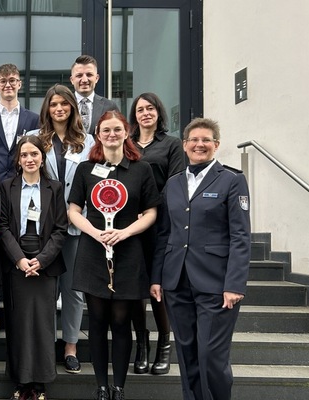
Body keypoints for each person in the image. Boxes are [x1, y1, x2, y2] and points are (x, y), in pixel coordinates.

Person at [151, 118, 251, 400]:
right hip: (177, 281)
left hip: (216, 284)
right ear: (184, 145)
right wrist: (157, 277)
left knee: (211, 357)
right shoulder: (173, 184)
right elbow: (165, 234)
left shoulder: (232, 180)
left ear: (216, 145)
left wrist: (235, 284)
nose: (199, 145)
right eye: (194, 140)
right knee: (186, 354)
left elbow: (241, 236)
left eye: (206, 140)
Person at [67, 111, 160, 400]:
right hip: (94, 251)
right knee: (96, 321)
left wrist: (125, 232)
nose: (111, 134)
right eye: (106, 130)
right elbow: (73, 211)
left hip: (128, 249)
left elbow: (151, 212)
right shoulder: (85, 169)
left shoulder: (141, 169)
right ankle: (101, 386)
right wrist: (95, 233)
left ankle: (119, 386)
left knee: (121, 321)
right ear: (98, 133)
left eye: (117, 129)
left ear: (126, 131)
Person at [28, 84, 93, 374]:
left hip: (77, 225)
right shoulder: (35, 139)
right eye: (53, 104)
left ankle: (70, 347)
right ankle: (43, 345)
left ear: (72, 108)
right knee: (43, 289)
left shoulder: (88, 141)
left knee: (73, 291)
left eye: (64, 104)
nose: (59, 109)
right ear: (47, 108)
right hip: (43, 227)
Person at [0, 135, 67, 400]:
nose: (29, 159)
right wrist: (19, 259)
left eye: (34, 154)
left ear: (42, 157)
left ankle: (40, 383)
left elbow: (60, 229)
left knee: (42, 325)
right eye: (24, 155)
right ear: (18, 159)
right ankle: (22, 382)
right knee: (19, 324)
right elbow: (2, 227)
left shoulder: (55, 188)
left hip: (45, 263)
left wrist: (42, 259)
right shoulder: (7, 187)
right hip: (17, 263)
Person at [0, 63, 39, 337]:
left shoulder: (33, 119)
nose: (8, 84)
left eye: (13, 80)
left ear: (19, 83)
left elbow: (36, 154)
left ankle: (15, 313)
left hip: (23, 190)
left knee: (18, 247)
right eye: (3, 81)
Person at [127, 92, 185, 375]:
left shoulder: (172, 145)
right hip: (130, 228)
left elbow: (175, 183)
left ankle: (164, 344)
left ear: (158, 113)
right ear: (134, 116)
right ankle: (142, 345)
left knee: (156, 288)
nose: (145, 113)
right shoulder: (127, 145)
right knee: (136, 290)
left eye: (150, 108)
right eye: (140, 110)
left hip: (160, 226)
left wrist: (150, 209)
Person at [69, 55, 119, 136]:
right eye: (79, 75)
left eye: (89, 75)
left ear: (97, 78)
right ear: (72, 80)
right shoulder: (64, 104)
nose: (84, 80)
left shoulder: (109, 106)